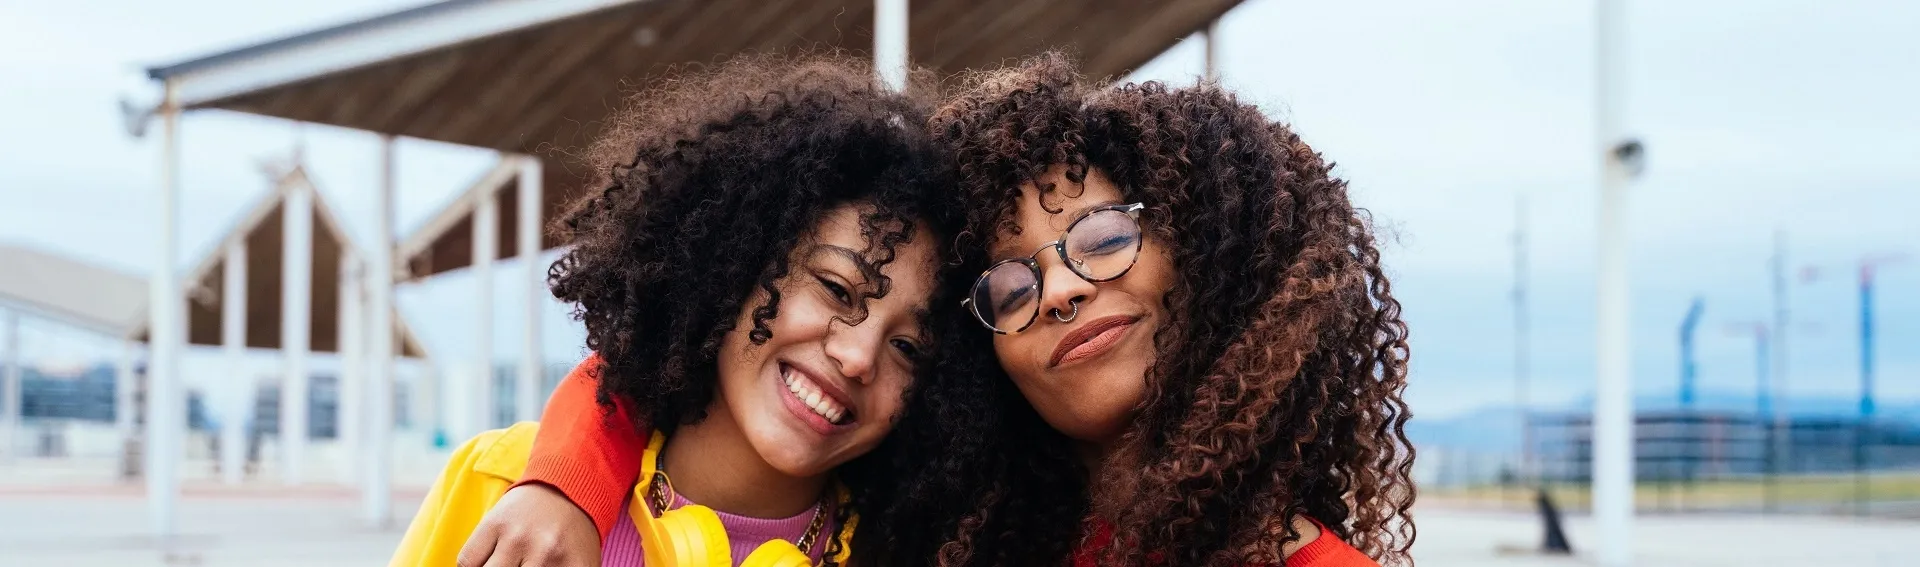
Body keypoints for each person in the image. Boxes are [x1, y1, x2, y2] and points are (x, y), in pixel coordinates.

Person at [462, 53, 1415, 567]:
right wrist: (563, 480)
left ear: (1212, 251)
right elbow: (655, 374)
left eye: (1102, 236)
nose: (1063, 288)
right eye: (1009, 282)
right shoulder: (948, 528)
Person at [390, 55, 969, 567]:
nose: (857, 355)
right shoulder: (504, 487)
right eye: (837, 289)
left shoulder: (910, 553)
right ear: (734, 260)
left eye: (909, 348)